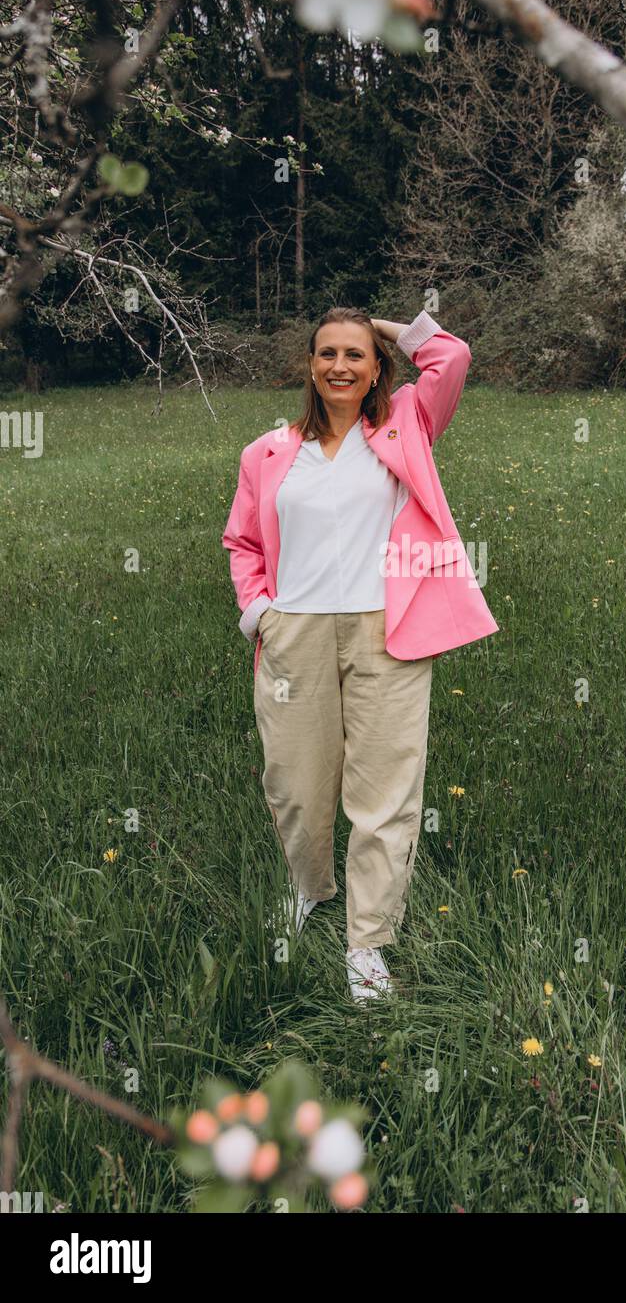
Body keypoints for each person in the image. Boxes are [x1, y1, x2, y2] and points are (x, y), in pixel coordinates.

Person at [222, 306, 498, 1001]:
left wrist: (379, 322)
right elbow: (242, 544)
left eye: (355, 354)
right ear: (309, 366)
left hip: (389, 627)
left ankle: (368, 941)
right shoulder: (268, 452)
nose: (340, 366)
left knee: (386, 788)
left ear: (377, 367)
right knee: (295, 779)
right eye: (327, 354)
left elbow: (452, 357)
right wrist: (259, 614)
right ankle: (310, 888)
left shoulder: (407, 422)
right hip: (296, 633)